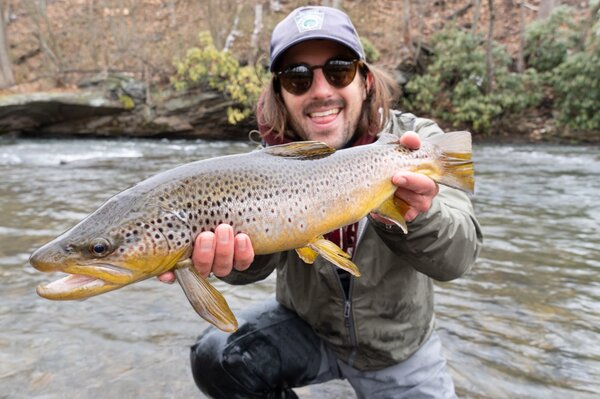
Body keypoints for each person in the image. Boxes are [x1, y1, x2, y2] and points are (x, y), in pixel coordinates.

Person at [159, 5, 482, 399]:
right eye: (297, 78)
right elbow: (251, 270)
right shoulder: (263, 164)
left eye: (339, 70)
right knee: (217, 357)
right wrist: (230, 260)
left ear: (364, 80)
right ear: (279, 92)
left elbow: (458, 258)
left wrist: (417, 214)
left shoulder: (414, 142)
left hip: (399, 350)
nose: (322, 90)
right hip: (306, 331)